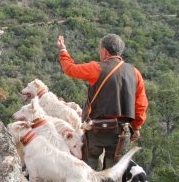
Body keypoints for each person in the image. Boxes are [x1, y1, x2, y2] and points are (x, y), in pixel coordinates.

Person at [56, 33, 148, 170]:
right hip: (121, 131)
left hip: (96, 130)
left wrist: (63, 50)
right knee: (113, 172)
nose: (99, 52)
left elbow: (70, 69)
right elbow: (140, 105)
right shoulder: (134, 72)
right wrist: (137, 127)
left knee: (89, 169)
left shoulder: (96, 68)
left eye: (100, 49)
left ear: (104, 51)